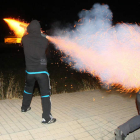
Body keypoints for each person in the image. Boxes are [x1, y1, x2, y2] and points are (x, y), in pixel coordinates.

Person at [21, 20, 56, 124]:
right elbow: (44, 38)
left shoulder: (24, 39)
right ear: (39, 29)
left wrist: (25, 31)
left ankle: (24, 107)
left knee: (28, 89)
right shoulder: (44, 40)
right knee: (45, 94)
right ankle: (46, 118)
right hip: (41, 72)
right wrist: (40, 34)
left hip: (29, 72)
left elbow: (25, 36)